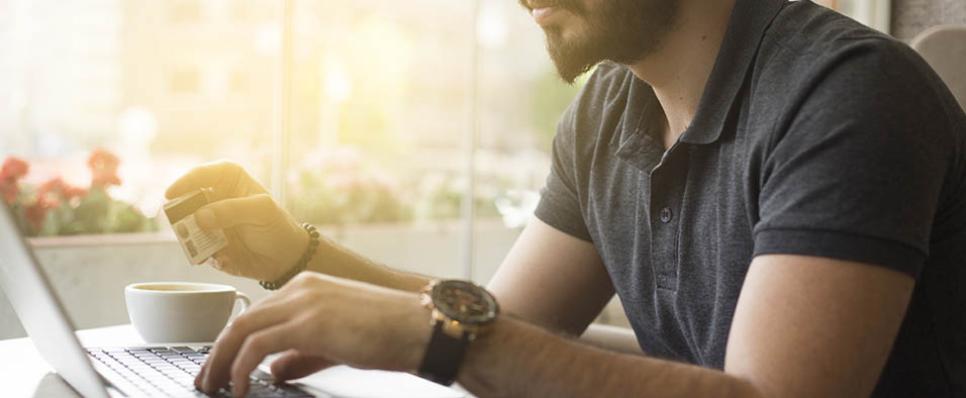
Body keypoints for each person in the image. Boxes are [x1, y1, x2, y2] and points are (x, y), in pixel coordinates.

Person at [168, 0, 966, 396]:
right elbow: (504, 325)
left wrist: (437, 342)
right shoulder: (610, 107)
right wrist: (300, 259)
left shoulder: (849, 93)